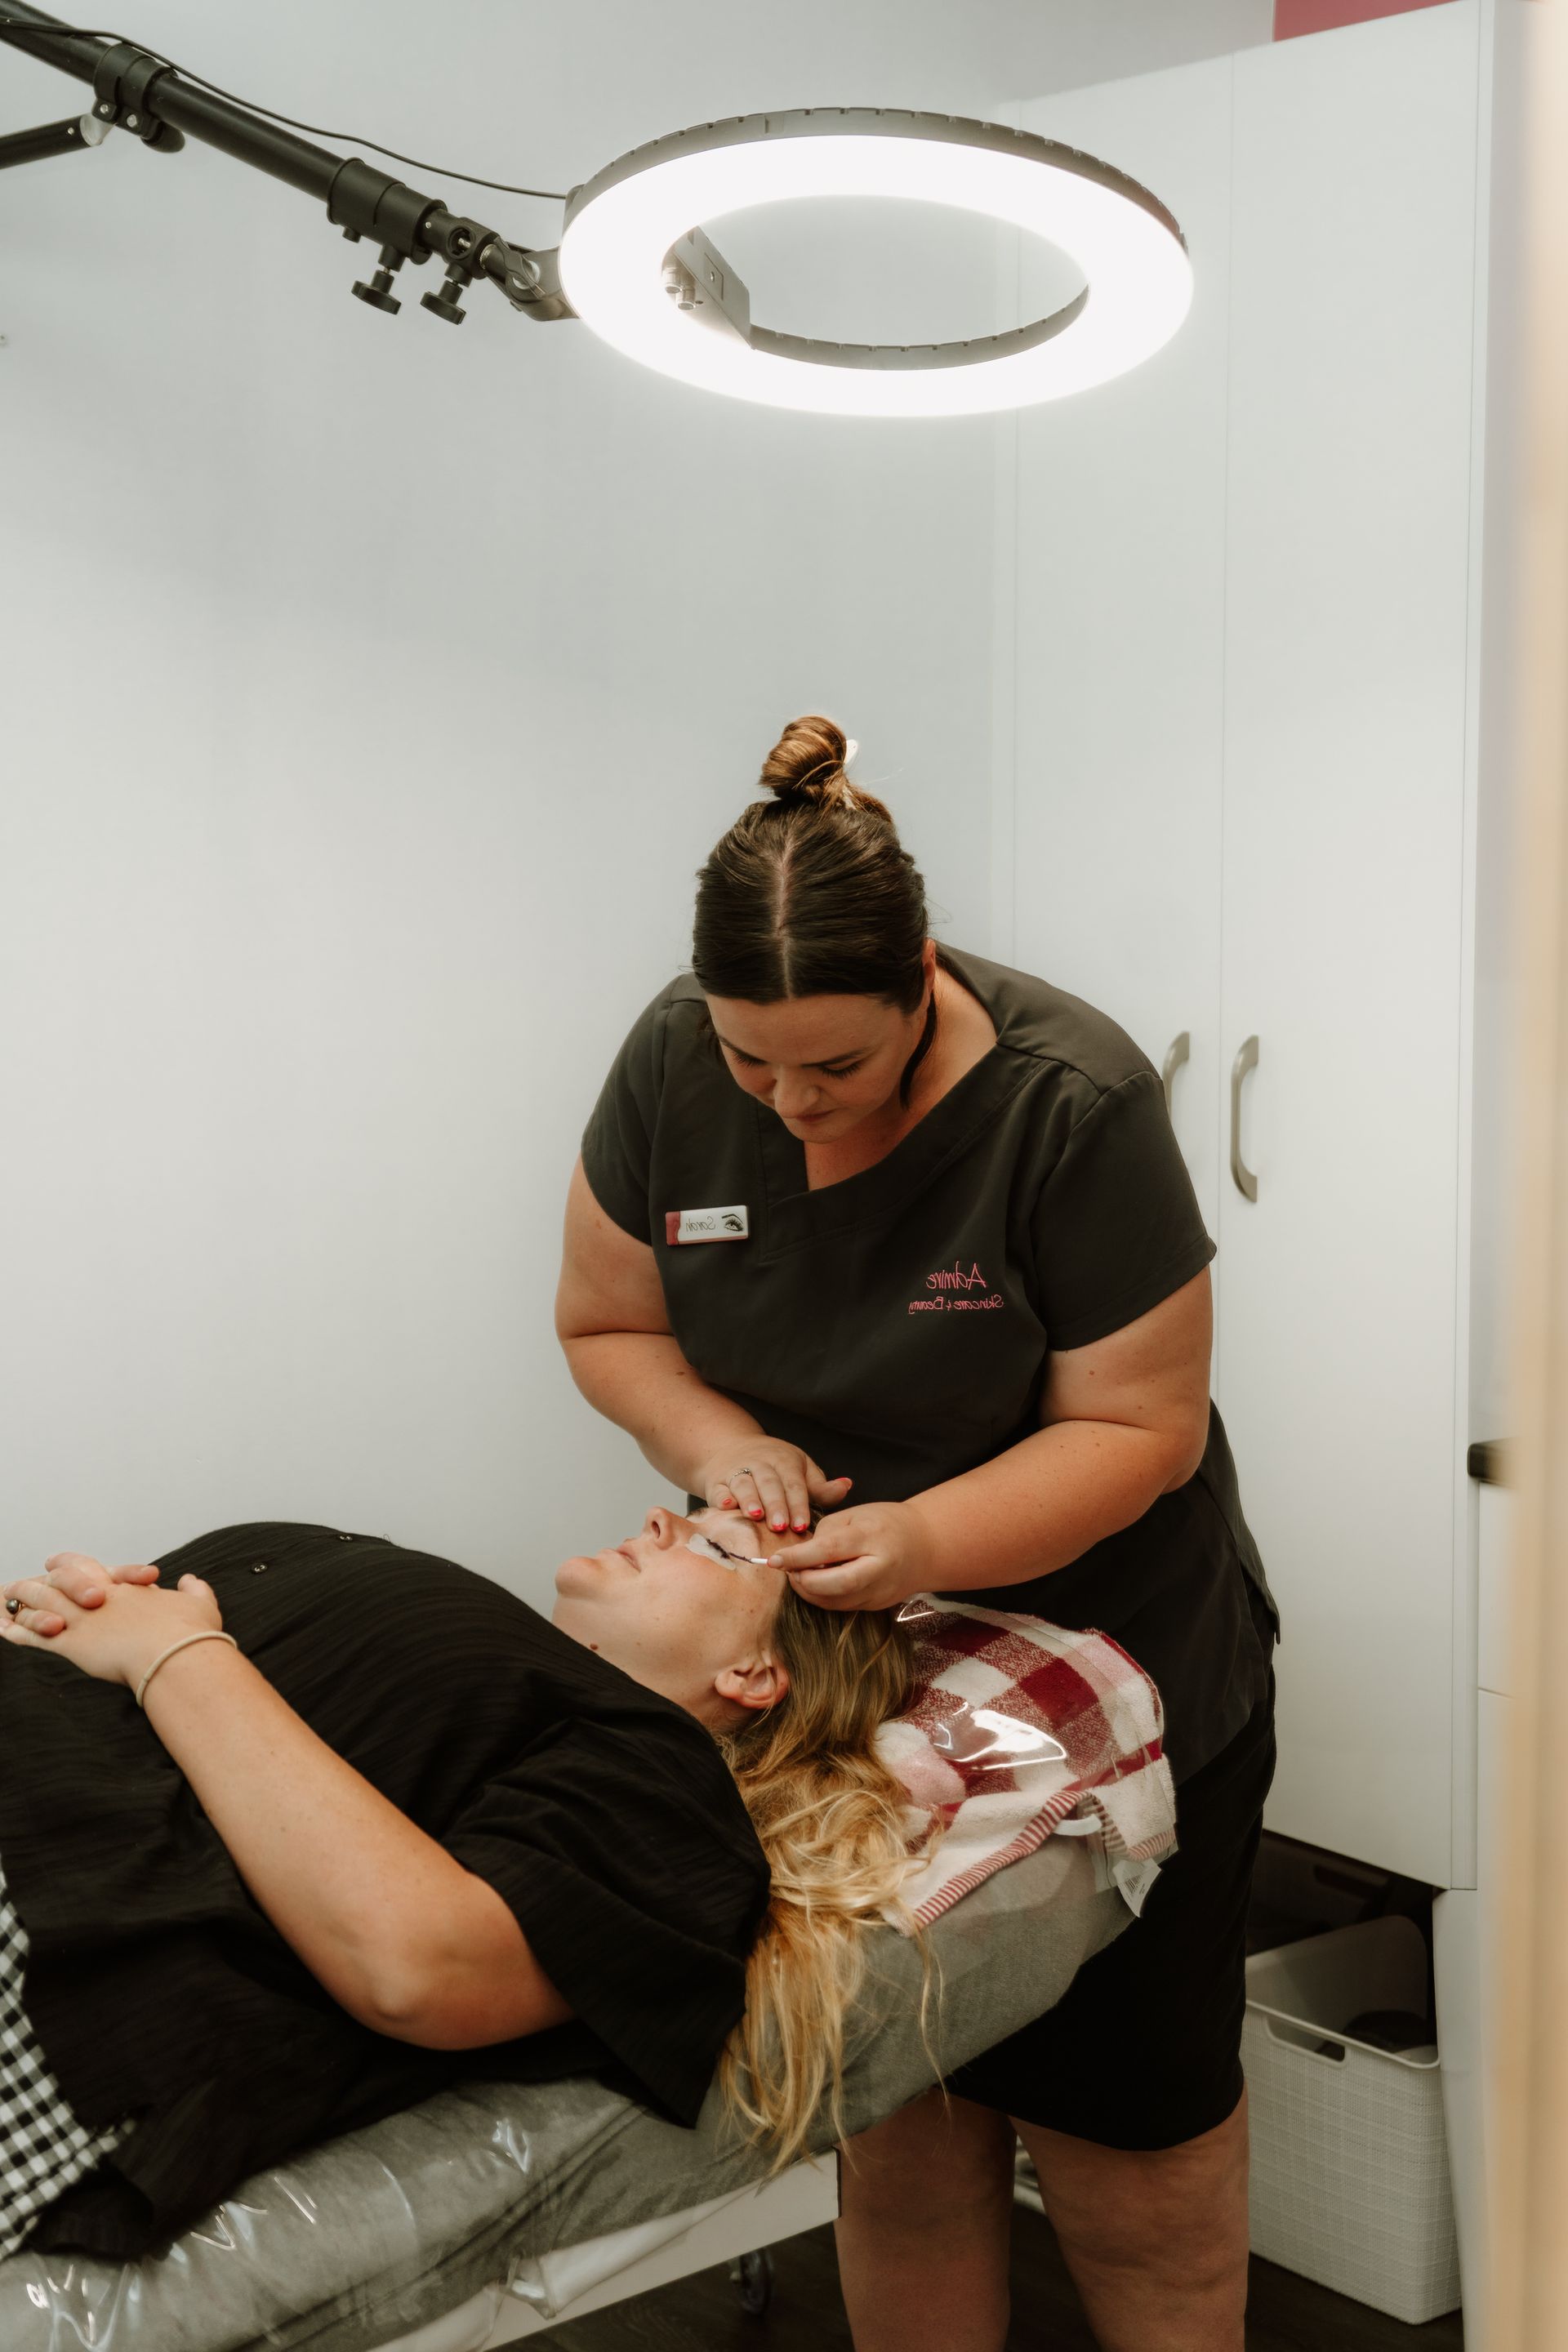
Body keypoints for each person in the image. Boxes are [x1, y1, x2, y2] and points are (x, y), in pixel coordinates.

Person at [557, 714, 1280, 2352]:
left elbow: (1138, 1427)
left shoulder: (1066, 1099)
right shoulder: (677, 1058)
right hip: (846, 1653)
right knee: (905, 2127)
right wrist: (722, 1443)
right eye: (753, 1065)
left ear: (927, 983)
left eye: (838, 1067)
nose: (790, 1107)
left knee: (1132, 2161)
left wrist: (927, 1539)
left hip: (1101, 1630)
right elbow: (610, 1329)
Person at [0, 1503, 916, 2263]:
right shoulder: (511, 1668)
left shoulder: (664, 1783)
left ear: (753, 1673)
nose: (659, 1518)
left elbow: (421, 1965)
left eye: (718, 1548)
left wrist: (173, 1654)